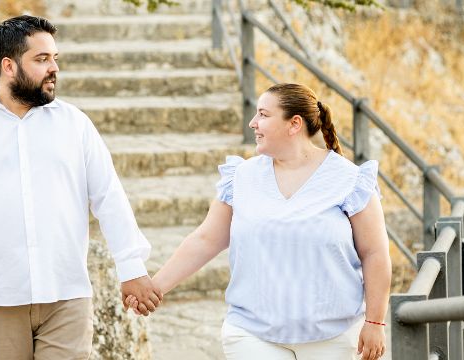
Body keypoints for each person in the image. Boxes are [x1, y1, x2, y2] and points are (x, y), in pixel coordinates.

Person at [0, 15, 161, 360]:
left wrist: (132, 267)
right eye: (42, 59)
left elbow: (109, 197)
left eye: (55, 58)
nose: (53, 68)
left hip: (67, 297)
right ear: (9, 66)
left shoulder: (75, 124)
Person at [129, 83, 391, 360]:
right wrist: (154, 288)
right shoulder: (242, 176)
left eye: (264, 115)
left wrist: (375, 322)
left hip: (334, 337)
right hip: (251, 333)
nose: (253, 123)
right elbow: (206, 239)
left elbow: (374, 253)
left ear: (294, 124)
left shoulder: (349, 180)